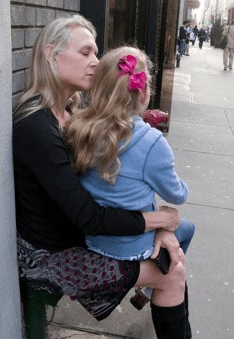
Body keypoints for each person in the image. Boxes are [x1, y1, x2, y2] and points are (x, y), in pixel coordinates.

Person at [13, 14, 190, 338]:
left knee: (176, 241)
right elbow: (90, 217)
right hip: (52, 256)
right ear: (52, 55)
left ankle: (152, 287)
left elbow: (121, 183)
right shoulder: (36, 127)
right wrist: (158, 222)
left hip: (80, 237)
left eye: (96, 54)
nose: (96, 62)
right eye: (85, 53)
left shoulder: (72, 115)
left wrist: (162, 227)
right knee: (173, 272)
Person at [67, 46, 194, 322]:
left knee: (174, 240)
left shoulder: (80, 126)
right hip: (128, 246)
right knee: (185, 230)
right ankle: (149, 290)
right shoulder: (152, 143)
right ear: (144, 93)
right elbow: (176, 194)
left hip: (93, 239)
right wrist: (184, 186)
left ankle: (150, 290)